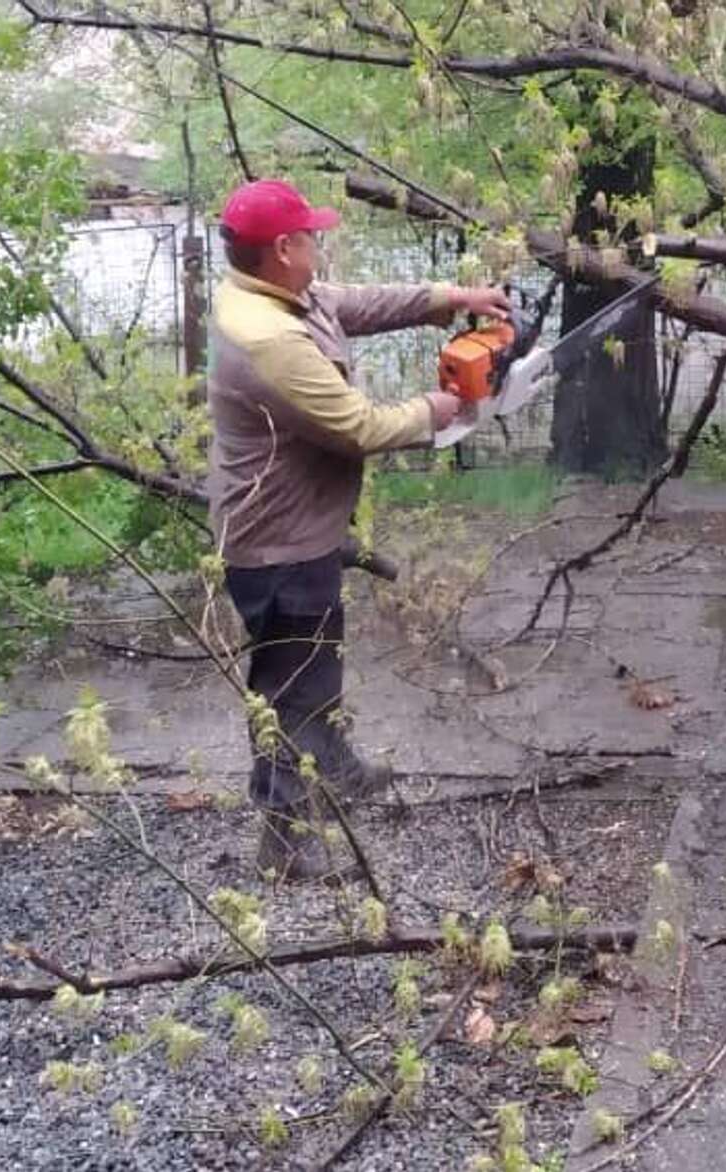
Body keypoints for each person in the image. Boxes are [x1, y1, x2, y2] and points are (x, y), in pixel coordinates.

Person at [205, 178, 509, 880]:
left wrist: (450, 299)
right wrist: (439, 409)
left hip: (301, 524)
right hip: (275, 541)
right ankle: (284, 843)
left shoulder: (271, 292)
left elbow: (352, 304)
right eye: (312, 234)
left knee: (318, 659)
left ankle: (336, 766)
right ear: (283, 248)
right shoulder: (268, 338)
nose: (320, 242)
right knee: (288, 689)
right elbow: (357, 428)